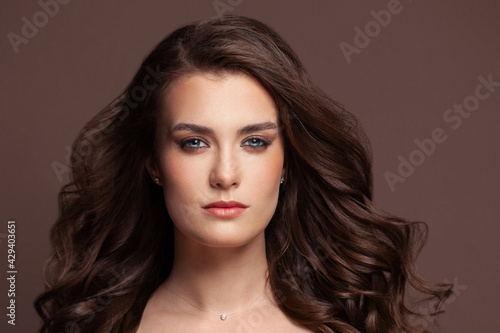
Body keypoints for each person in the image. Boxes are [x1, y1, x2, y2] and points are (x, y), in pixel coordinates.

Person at [35, 15, 451, 333]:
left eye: (254, 142)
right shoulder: (95, 325)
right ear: (153, 164)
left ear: (288, 160)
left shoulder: (351, 324)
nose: (225, 175)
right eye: (194, 142)